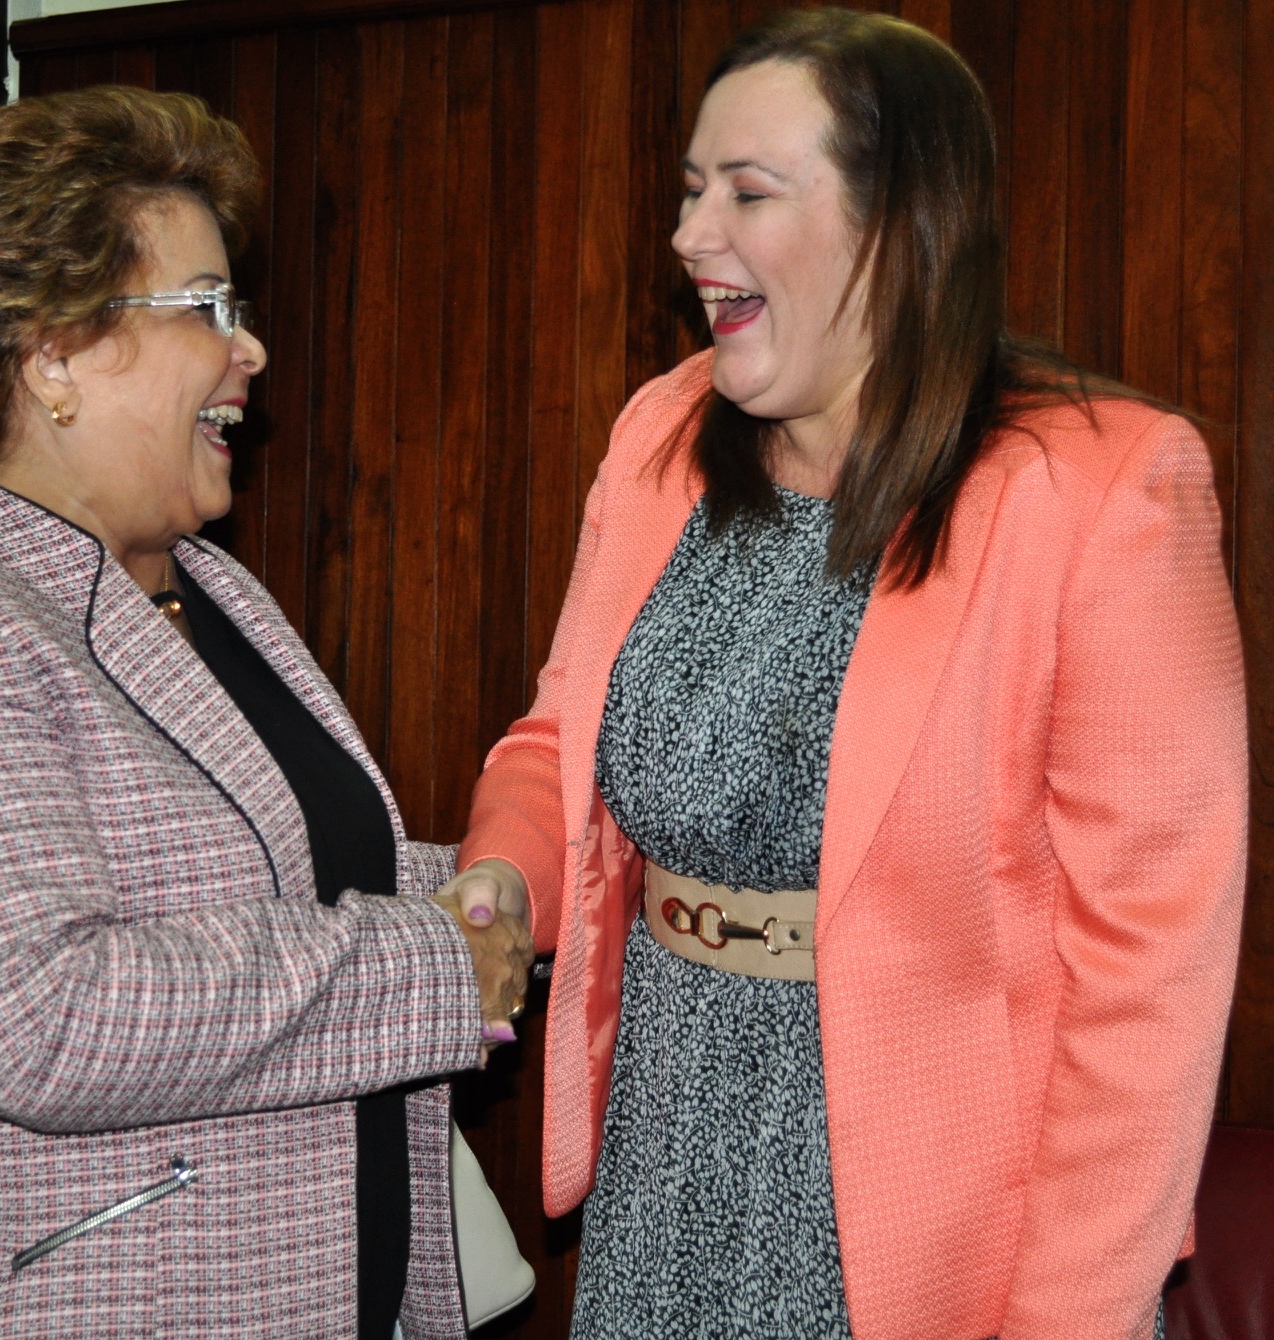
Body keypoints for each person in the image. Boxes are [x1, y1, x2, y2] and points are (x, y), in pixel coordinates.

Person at [444, 9, 1246, 1339]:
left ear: (900, 222)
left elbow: (1147, 984)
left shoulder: (1104, 488)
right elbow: (557, 741)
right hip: (667, 1136)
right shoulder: (659, 432)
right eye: (690, 191)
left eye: (749, 192)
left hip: (935, 1215)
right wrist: (497, 879)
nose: (693, 235)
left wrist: (1063, 1321)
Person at [0, 87, 531, 1340]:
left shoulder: (210, 586)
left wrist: (510, 881)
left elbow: (284, 871)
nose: (246, 349)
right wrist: (433, 960)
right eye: (206, 308)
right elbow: (47, 1016)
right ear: (52, 354)